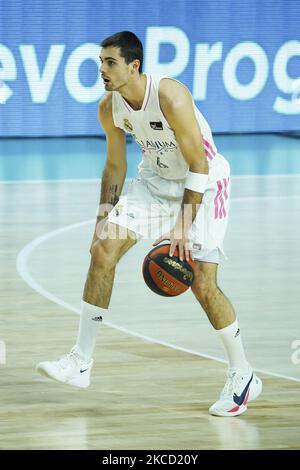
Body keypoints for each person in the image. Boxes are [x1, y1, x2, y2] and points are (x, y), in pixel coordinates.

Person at [37, 31, 262, 417]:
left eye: (110, 63)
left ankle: (243, 373)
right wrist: (103, 216)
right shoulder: (109, 107)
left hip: (203, 186)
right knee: (102, 251)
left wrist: (182, 225)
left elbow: (200, 165)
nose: (102, 71)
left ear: (133, 65)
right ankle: (81, 362)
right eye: (100, 63)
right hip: (155, 184)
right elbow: (114, 164)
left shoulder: (170, 96)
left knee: (203, 284)